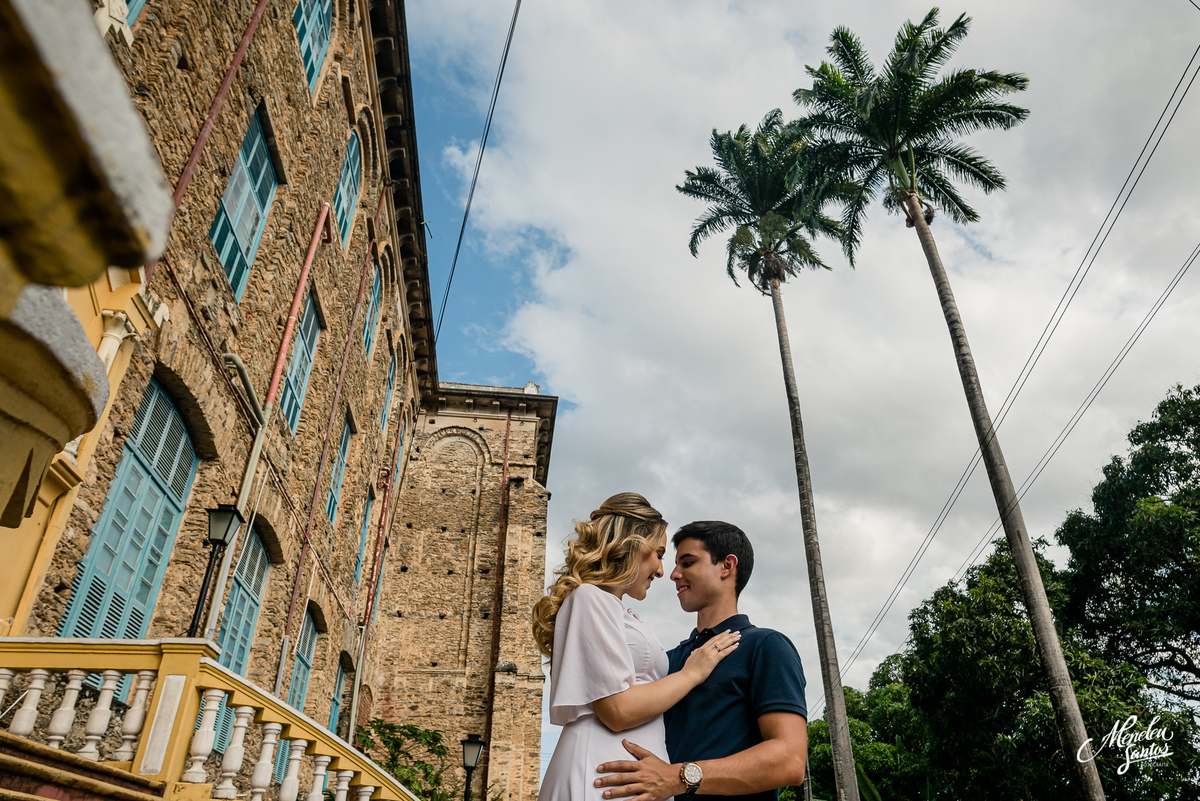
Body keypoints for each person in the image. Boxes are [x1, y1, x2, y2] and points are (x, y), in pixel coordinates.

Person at [533, 495, 742, 801]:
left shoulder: (614, 608)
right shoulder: (590, 598)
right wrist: (692, 673)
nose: (661, 570)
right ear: (632, 545)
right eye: (658, 554)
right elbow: (617, 710)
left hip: (626, 775)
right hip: (601, 773)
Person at [592, 521, 808, 801]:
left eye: (688, 562)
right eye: (674, 563)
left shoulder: (765, 646)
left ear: (727, 566)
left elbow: (789, 761)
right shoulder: (665, 662)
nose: (673, 574)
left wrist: (679, 777)